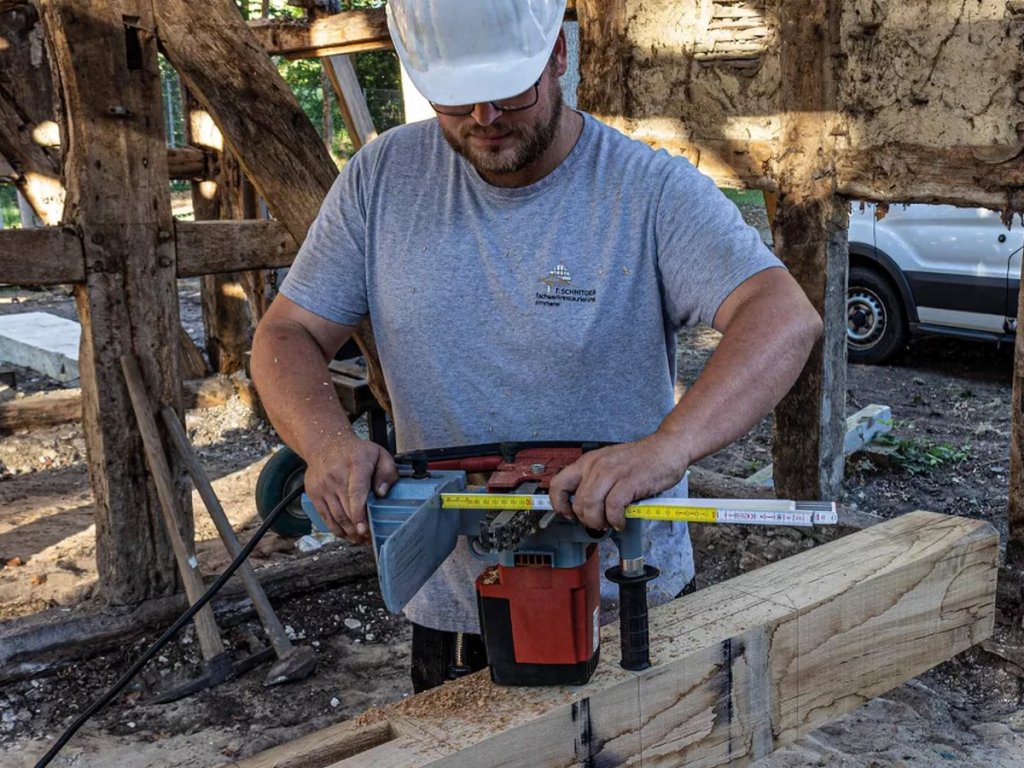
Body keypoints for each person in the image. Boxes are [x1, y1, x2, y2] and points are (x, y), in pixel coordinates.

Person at [251, 0, 822, 692]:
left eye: (507, 91)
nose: (483, 118)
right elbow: (288, 333)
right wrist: (328, 444)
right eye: (456, 97)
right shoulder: (381, 182)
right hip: (456, 610)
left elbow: (783, 316)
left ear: (557, 56)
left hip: (625, 606)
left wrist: (664, 450)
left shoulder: (647, 190)